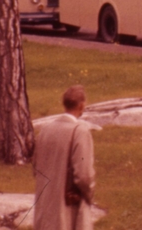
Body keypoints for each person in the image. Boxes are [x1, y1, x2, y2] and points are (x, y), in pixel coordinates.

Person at [32, 85, 95, 230]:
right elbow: (84, 175)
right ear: (81, 105)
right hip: (67, 210)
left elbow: (35, 167)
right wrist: (89, 194)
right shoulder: (80, 132)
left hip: (44, 208)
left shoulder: (45, 130)